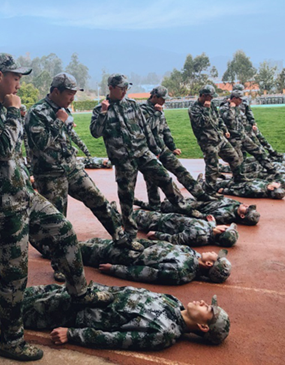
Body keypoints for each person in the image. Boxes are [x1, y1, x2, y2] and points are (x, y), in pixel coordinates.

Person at [0, 53, 114, 361]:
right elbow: (3, 149)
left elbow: (15, 154)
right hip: (1, 209)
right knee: (14, 276)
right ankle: (11, 342)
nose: (19, 83)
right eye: (16, 77)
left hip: (23, 195)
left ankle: (80, 293)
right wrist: (14, 112)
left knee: (64, 232)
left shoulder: (2, 108)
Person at [26, 72, 143, 281]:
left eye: (74, 93)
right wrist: (59, 122)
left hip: (71, 168)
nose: (72, 98)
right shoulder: (36, 112)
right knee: (58, 221)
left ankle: (121, 238)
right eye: (69, 94)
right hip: (50, 174)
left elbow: (66, 138)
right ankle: (60, 264)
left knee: (98, 200)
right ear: (55, 91)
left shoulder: (64, 110)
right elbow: (40, 143)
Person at [0, 283, 230, 350]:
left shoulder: (164, 333)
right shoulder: (172, 302)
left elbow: (116, 339)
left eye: (209, 309)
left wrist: (73, 334)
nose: (204, 302)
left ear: (203, 327)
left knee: (24, 311)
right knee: (30, 293)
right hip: (87, 295)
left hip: (79, 315)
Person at [90, 74, 194, 239]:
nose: (124, 91)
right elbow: (95, 133)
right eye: (121, 88)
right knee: (126, 197)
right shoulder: (99, 110)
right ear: (111, 88)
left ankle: (184, 209)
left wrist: (155, 149)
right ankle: (130, 233)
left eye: (126, 88)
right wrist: (103, 113)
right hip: (123, 159)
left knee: (165, 179)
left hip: (143, 153)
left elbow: (145, 128)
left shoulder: (132, 105)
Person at [141, 85, 216, 205]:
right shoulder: (142, 110)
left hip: (162, 148)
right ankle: (154, 204)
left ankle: (200, 194)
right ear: (154, 97)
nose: (164, 101)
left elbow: (165, 129)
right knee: (152, 179)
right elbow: (146, 129)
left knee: (181, 170)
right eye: (163, 99)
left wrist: (172, 147)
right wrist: (156, 114)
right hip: (148, 151)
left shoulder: (159, 109)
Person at [80, 238, 231, 285]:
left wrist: (114, 269)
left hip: (123, 257)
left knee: (79, 249)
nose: (213, 252)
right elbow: (166, 245)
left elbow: (145, 273)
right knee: (92, 241)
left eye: (215, 256)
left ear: (209, 264)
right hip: (134, 245)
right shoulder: (194, 255)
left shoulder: (180, 272)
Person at [188, 85, 246, 193]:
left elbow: (218, 119)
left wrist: (224, 129)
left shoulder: (212, 105)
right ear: (204, 95)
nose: (212, 98)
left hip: (220, 138)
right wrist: (206, 109)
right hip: (207, 142)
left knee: (234, 157)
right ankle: (209, 190)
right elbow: (201, 124)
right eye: (210, 96)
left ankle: (239, 180)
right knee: (212, 166)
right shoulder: (193, 109)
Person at [218, 90, 277, 175]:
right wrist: (232, 108)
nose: (241, 101)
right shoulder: (224, 108)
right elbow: (230, 120)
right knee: (239, 160)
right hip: (234, 139)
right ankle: (240, 178)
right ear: (234, 98)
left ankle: (271, 169)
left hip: (243, 135)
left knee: (258, 151)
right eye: (239, 99)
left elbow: (242, 120)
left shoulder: (238, 107)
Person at [134, 209, 239, 247]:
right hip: (166, 218)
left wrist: (157, 235)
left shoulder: (199, 235)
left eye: (226, 227)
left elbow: (176, 239)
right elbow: (211, 232)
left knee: (133, 215)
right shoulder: (210, 231)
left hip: (158, 222)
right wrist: (212, 223)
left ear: (222, 230)